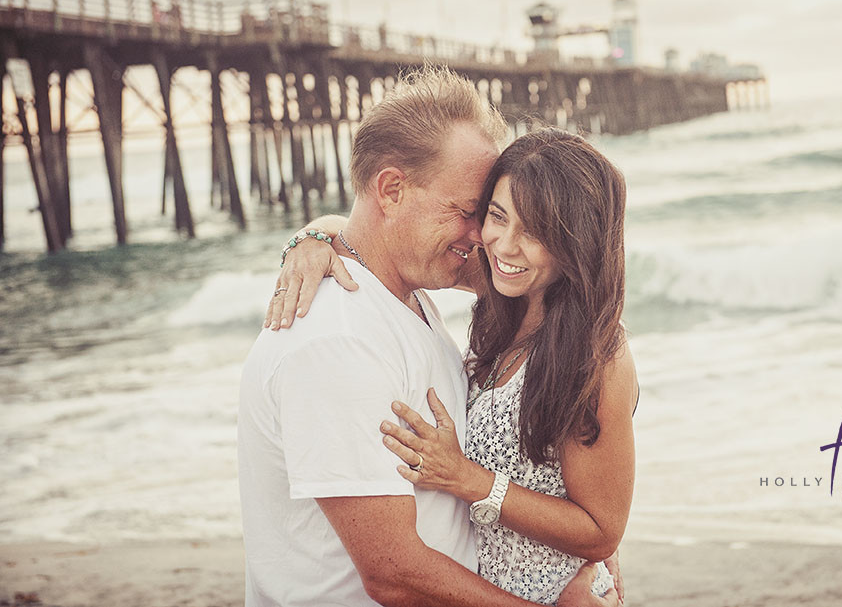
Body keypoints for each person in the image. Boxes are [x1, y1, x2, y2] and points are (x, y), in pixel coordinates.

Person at [239, 65, 617, 607]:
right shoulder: (338, 341)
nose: (481, 236)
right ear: (391, 189)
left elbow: (557, 276)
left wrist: (580, 555)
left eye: (485, 212)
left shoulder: (405, 294)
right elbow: (395, 575)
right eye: (467, 211)